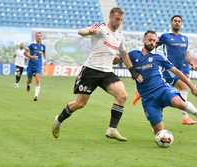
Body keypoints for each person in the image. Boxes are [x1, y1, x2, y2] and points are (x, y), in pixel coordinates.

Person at [52, 7, 142, 141]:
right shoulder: (101, 27)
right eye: (117, 19)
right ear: (110, 17)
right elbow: (81, 31)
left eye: (121, 20)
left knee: (122, 95)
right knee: (80, 104)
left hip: (107, 72)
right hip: (91, 71)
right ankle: (58, 120)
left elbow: (123, 54)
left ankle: (112, 129)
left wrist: (133, 71)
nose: (118, 22)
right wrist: (88, 32)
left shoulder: (119, 36)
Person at [129, 30, 197, 140]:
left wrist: (192, 87)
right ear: (144, 40)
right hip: (148, 100)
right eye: (149, 40)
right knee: (161, 136)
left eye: (154, 41)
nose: (152, 42)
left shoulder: (158, 57)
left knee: (178, 102)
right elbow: (120, 59)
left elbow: (177, 72)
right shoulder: (133, 55)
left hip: (162, 91)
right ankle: (160, 132)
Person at [133, 15, 197, 125]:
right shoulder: (165, 37)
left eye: (179, 21)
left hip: (178, 68)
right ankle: (185, 117)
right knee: (183, 86)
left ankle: (141, 93)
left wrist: (191, 62)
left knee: (164, 91)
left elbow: (186, 53)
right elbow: (152, 46)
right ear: (171, 23)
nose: (177, 22)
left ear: (181, 24)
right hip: (167, 69)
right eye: (175, 21)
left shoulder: (184, 38)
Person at [24, 32, 46, 101]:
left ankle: (36, 96)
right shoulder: (31, 45)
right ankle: (28, 84)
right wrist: (31, 57)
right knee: (29, 80)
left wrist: (45, 61)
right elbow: (25, 53)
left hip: (38, 65)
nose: (39, 37)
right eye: (38, 36)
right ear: (35, 37)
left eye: (40, 36)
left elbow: (44, 54)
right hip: (31, 65)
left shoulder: (43, 46)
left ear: (41, 37)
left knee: (38, 80)